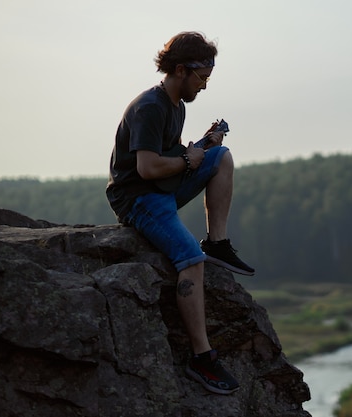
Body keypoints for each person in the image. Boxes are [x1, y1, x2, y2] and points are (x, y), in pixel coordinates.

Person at [106, 31, 254, 395]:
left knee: (221, 156)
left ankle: (217, 242)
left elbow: (172, 156)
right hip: (140, 199)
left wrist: (201, 147)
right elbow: (147, 168)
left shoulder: (177, 106)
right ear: (180, 70)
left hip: (162, 188)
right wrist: (188, 158)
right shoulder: (150, 106)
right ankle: (202, 358)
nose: (204, 86)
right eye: (202, 78)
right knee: (190, 259)